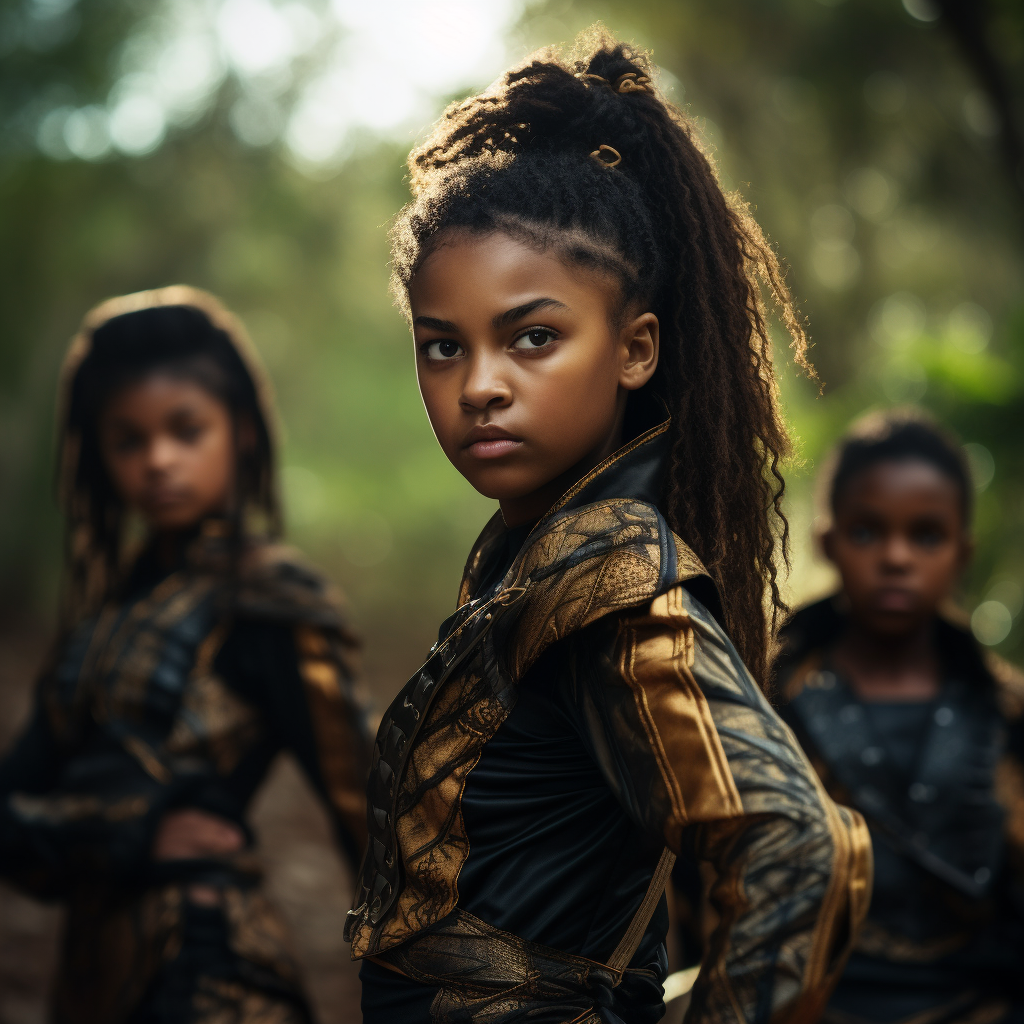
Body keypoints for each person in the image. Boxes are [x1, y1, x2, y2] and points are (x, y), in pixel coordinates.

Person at [346, 30, 872, 1024]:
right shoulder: (534, 566)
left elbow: (802, 853)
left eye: (532, 337)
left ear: (634, 349)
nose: (481, 386)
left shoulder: (612, 588)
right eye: (442, 346)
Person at [0, 287, 371, 1024]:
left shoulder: (270, 603)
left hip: (213, 974)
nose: (158, 459)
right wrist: (128, 833)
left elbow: (368, 811)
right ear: (99, 453)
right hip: (88, 980)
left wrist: (429, 991)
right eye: (129, 440)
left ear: (239, 430)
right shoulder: (103, 620)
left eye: (186, 429)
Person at [774, 411, 1024, 1024]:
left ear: (962, 551)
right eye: (867, 533)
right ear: (827, 541)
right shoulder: (764, 701)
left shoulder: (1007, 714)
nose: (895, 557)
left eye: (926, 536)